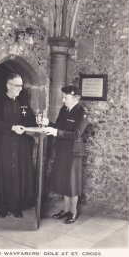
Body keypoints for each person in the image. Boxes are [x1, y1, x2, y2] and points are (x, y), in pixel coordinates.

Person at [0, 72, 36, 219]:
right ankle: (3, 206)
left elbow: (31, 120)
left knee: (19, 174)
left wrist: (35, 125)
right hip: (4, 144)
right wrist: (11, 127)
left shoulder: (23, 102)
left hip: (21, 144)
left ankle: (17, 206)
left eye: (21, 85)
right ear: (8, 85)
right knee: (5, 174)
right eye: (17, 85)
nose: (20, 89)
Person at [42, 86, 88, 224]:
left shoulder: (82, 113)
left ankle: (73, 212)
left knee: (72, 183)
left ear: (75, 98)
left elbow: (76, 134)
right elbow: (59, 128)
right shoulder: (64, 109)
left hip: (73, 152)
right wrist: (49, 124)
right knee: (64, 180)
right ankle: (66, 210)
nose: (63, 100)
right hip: (62, 149)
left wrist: (56, 132)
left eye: (65, 97)